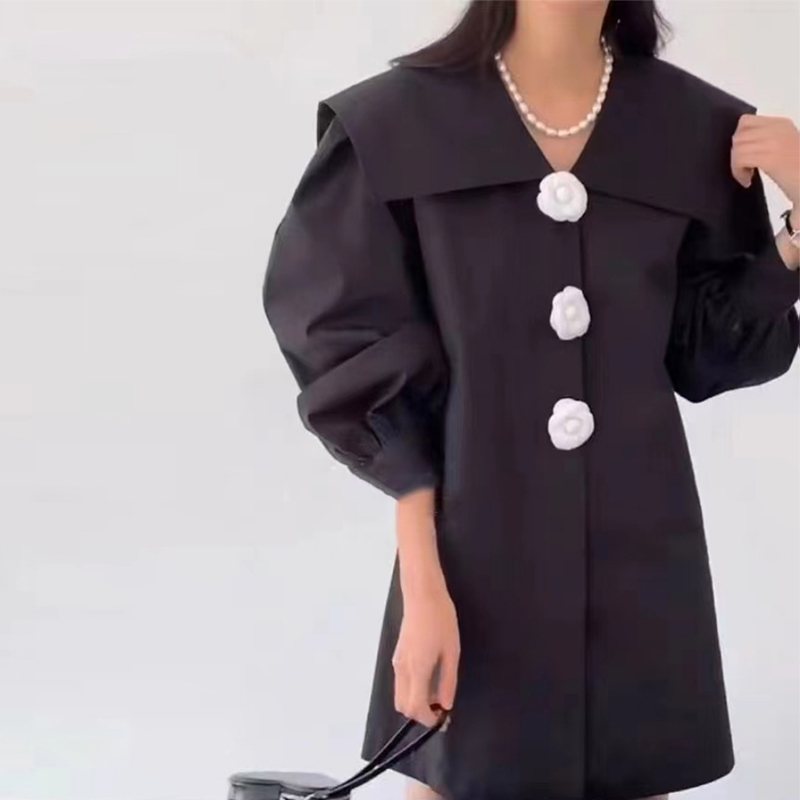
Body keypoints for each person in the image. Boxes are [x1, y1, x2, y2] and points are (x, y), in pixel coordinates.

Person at [261, 1, 800, 799]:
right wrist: (424, 590)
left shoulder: (695, 129)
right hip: (473, 557)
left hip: (644, 560)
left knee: (630, 771)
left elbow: (705, 352)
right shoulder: (395, 125)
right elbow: (360, 360)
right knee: (460, 775)